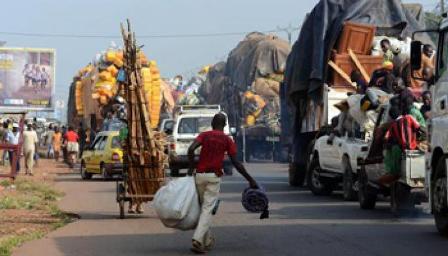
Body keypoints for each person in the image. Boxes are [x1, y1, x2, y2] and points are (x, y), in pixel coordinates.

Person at [187, 113, 258, 254]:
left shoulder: (204, 135)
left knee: (204, 209)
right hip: (214, 177)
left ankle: (206, 241)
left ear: (212, 124)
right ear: (225, 125)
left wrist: (191, 166)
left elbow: (190, 149)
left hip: (200, 176)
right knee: (207, 209)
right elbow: (236, 163)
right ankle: (197, 239)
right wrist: (250, 179)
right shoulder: (227, 140)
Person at [380, 106, 424, 185]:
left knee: (393, 149)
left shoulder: (393, 125)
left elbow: (387, 138)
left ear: (392, 117)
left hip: (402, 149)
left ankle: (393, 173)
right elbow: (419, 128)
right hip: (414, 147)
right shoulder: (409, 117)